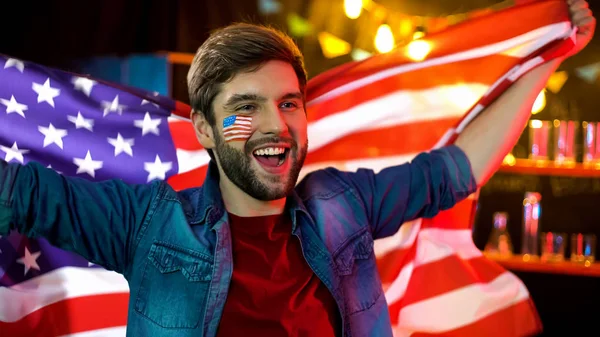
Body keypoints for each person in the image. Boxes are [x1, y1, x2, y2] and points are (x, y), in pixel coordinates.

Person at [0, 1, 594, 336]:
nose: (275, 126)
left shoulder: (344, 204)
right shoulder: (148, 222)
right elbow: (20, 192)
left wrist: (549, 53)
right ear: (204, 129)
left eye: (288, 104)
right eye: (245, 109)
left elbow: (457, 169)